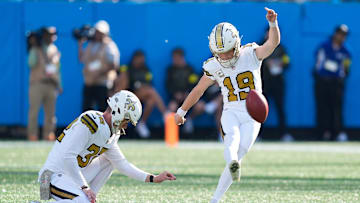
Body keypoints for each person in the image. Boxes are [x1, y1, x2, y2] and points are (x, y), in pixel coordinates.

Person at [174, 7, 280, 203]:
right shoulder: (213, 65)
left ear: (237, 44)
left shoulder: (250, 54)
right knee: (231, 140)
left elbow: (272, 44)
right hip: (230, 110)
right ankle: (231, 163)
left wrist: (273, 24)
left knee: (242, 150)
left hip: (252, 114)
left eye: (228, 51)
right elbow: (198, 89)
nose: (224, 57)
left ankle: (216, 197)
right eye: (219, 53)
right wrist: (182, 110)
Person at [38, 90, 176, 203]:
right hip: (52, 175)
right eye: (126, 120)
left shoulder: (111, 133)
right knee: (82, 201)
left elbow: (122, 164)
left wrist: (153, 178)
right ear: (118, 112)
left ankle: (90, 198)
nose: (126, 125)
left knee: (110, 161)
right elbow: (68, 156)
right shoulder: (91, 121)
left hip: (70, 175)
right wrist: (84, 187)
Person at [114, 50, 167, 138]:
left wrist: (142, 86)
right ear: (135, 59)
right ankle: (165, 113)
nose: (141, 61)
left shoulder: (145, 69)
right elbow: (122, 84)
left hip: (140, 95)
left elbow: (150, 83)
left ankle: (141, 123)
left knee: (151, 100)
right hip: (127, 95)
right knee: (151, 91)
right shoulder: (126, 68)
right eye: (140, 59)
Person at [314, 24, 351, 141]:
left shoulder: (346, 51)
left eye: (344, 35)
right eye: (340, 34)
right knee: (322, 108)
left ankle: (338, 132)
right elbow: (318, 64)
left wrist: (341, 74)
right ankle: (323, 132)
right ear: (335, 34)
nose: (342, 37)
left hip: (336, 83)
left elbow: (346, 68)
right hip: (323, 81)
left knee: (337, 108)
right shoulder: (324, 46)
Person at [27, 26, 62, 141]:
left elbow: (57, 69)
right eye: (49, 34)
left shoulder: (55, 49)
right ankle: (33, 134)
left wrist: (59, 85)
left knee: (51, 113)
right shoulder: (36, 49)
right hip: (37, 83)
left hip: (51, 84)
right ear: (44, 36)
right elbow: (31, 63)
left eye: (53, 34)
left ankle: (49, 134)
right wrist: (33, 47)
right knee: (34, 111)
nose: (51, 37)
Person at [78, 20, 120, 112]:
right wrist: (80, 44)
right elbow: (82, 59)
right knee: (87, 111)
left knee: (103, 110)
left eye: (100, 32)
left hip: (102, 83)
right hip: (89, 82)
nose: (97, 34)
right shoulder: (91, 45)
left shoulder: (109, 46)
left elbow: (114, 65)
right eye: (96, 31)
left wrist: (100, 73)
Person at [260, 28, 293, 142]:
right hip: (263, 83)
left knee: (280, 108)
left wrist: (280, 63)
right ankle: (258, 134)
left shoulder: (281, 48)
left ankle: (284, 133)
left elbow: (287, 62)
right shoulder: (259, 46)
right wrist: (266, 63)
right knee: (260, 110)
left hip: (278, 82)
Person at [165, 48, 199, 133]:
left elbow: (194, 84)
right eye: (173, 58)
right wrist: (175, 94)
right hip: (175, 98)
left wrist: (186, 94)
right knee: (171, 107)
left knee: (200, 106)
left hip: (188, 98)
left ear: (181, 57)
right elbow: (168, 85)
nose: (174, 60)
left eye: (176, 58)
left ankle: (189, 120)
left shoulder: (190, 69)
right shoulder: (170, 69)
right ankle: (172, 132)